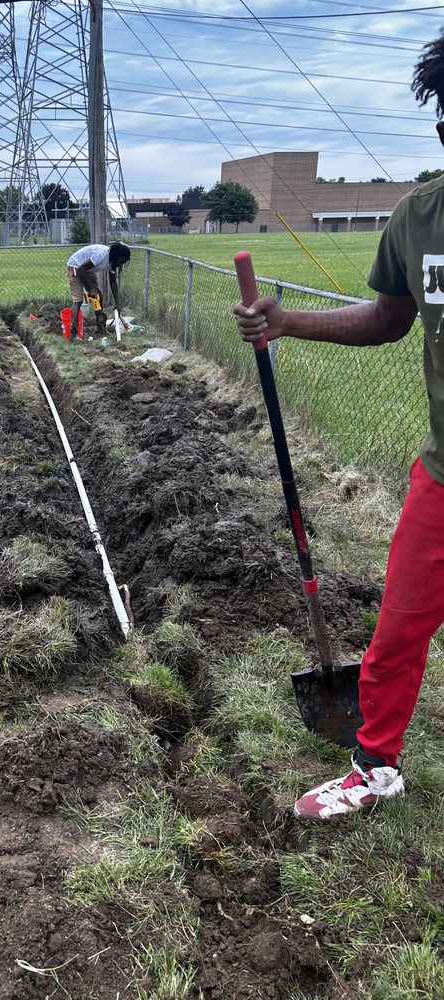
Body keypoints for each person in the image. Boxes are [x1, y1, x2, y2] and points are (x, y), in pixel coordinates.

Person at [234, 30, 444, 822]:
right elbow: (391, 319)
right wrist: (285, 322)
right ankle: (375, 766)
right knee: (398, 626)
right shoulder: (420, 218)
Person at [66, 241, 131, 340]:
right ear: (117, 255)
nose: (120, 264)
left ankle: (100, 328)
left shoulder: (112, 262)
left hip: (87, 269)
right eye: (121, 261)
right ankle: (73, 334)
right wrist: (90, 290)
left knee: (98, 296)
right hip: (75, 266)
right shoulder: (101, 255)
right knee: (78, 300)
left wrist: (117, 303)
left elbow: (113, 282)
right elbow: (81, 269)